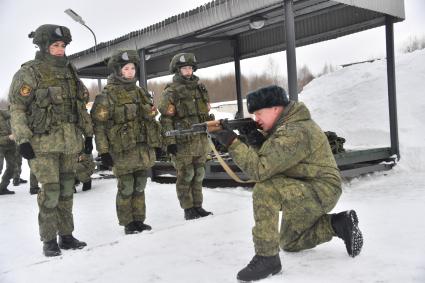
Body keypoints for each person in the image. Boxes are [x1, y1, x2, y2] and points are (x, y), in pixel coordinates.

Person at [210, 85, 363, 282]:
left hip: (322, 189)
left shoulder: (296, 130)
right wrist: (255, 139)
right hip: (302, 184)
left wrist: (232, 143)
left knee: (266, 189)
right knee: (290, 242)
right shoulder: (285, 126)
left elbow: (261, 169)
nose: (256, 118)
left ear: (275, 108)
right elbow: (274, 157)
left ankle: (267, 258)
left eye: (258, 113)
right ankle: (337, 224)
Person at [8, 24, 93, 257]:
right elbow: (17, 108)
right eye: (55, 45)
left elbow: (79, 105)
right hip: (43, 144)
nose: (59, 49)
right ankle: (48, 239)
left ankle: (66, 236)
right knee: (51, 191)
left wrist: (89, 134)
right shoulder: (30, 72)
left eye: (63, 45)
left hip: (69, 142)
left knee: (67, 190)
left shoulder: (69, 70)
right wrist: (23, 139)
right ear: (43, 45)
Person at [91, 49, 161, 234]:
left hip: (141, 149)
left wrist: (158, 144)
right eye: (126, 68)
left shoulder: (140, 92)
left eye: (132, 68)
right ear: (117, 71)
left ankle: (139, 219)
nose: (130, 72)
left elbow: (151, 119)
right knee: (126, 187)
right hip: (121, 151)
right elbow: (99, 126)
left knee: (140, 186)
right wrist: (104, 152)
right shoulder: (106, 96)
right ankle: (127, 222)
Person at [158, 52, 213, 220]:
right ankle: (188, 208)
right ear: (177, 70)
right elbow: (165, 119)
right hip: (183, 142)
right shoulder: (171, 91)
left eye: (190, 68)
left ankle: (198, 206)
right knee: (186, 174)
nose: (188, 71)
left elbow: (206, 112)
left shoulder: (200, 88)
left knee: (199, 174)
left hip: (200, 141)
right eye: (184, 69)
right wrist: (170, 142)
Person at [0, 109, 16, 195]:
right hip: (1, 146)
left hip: (11, 146)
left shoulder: (5, 114)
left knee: (12, 168)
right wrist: (8, 137)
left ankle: (2, 188)